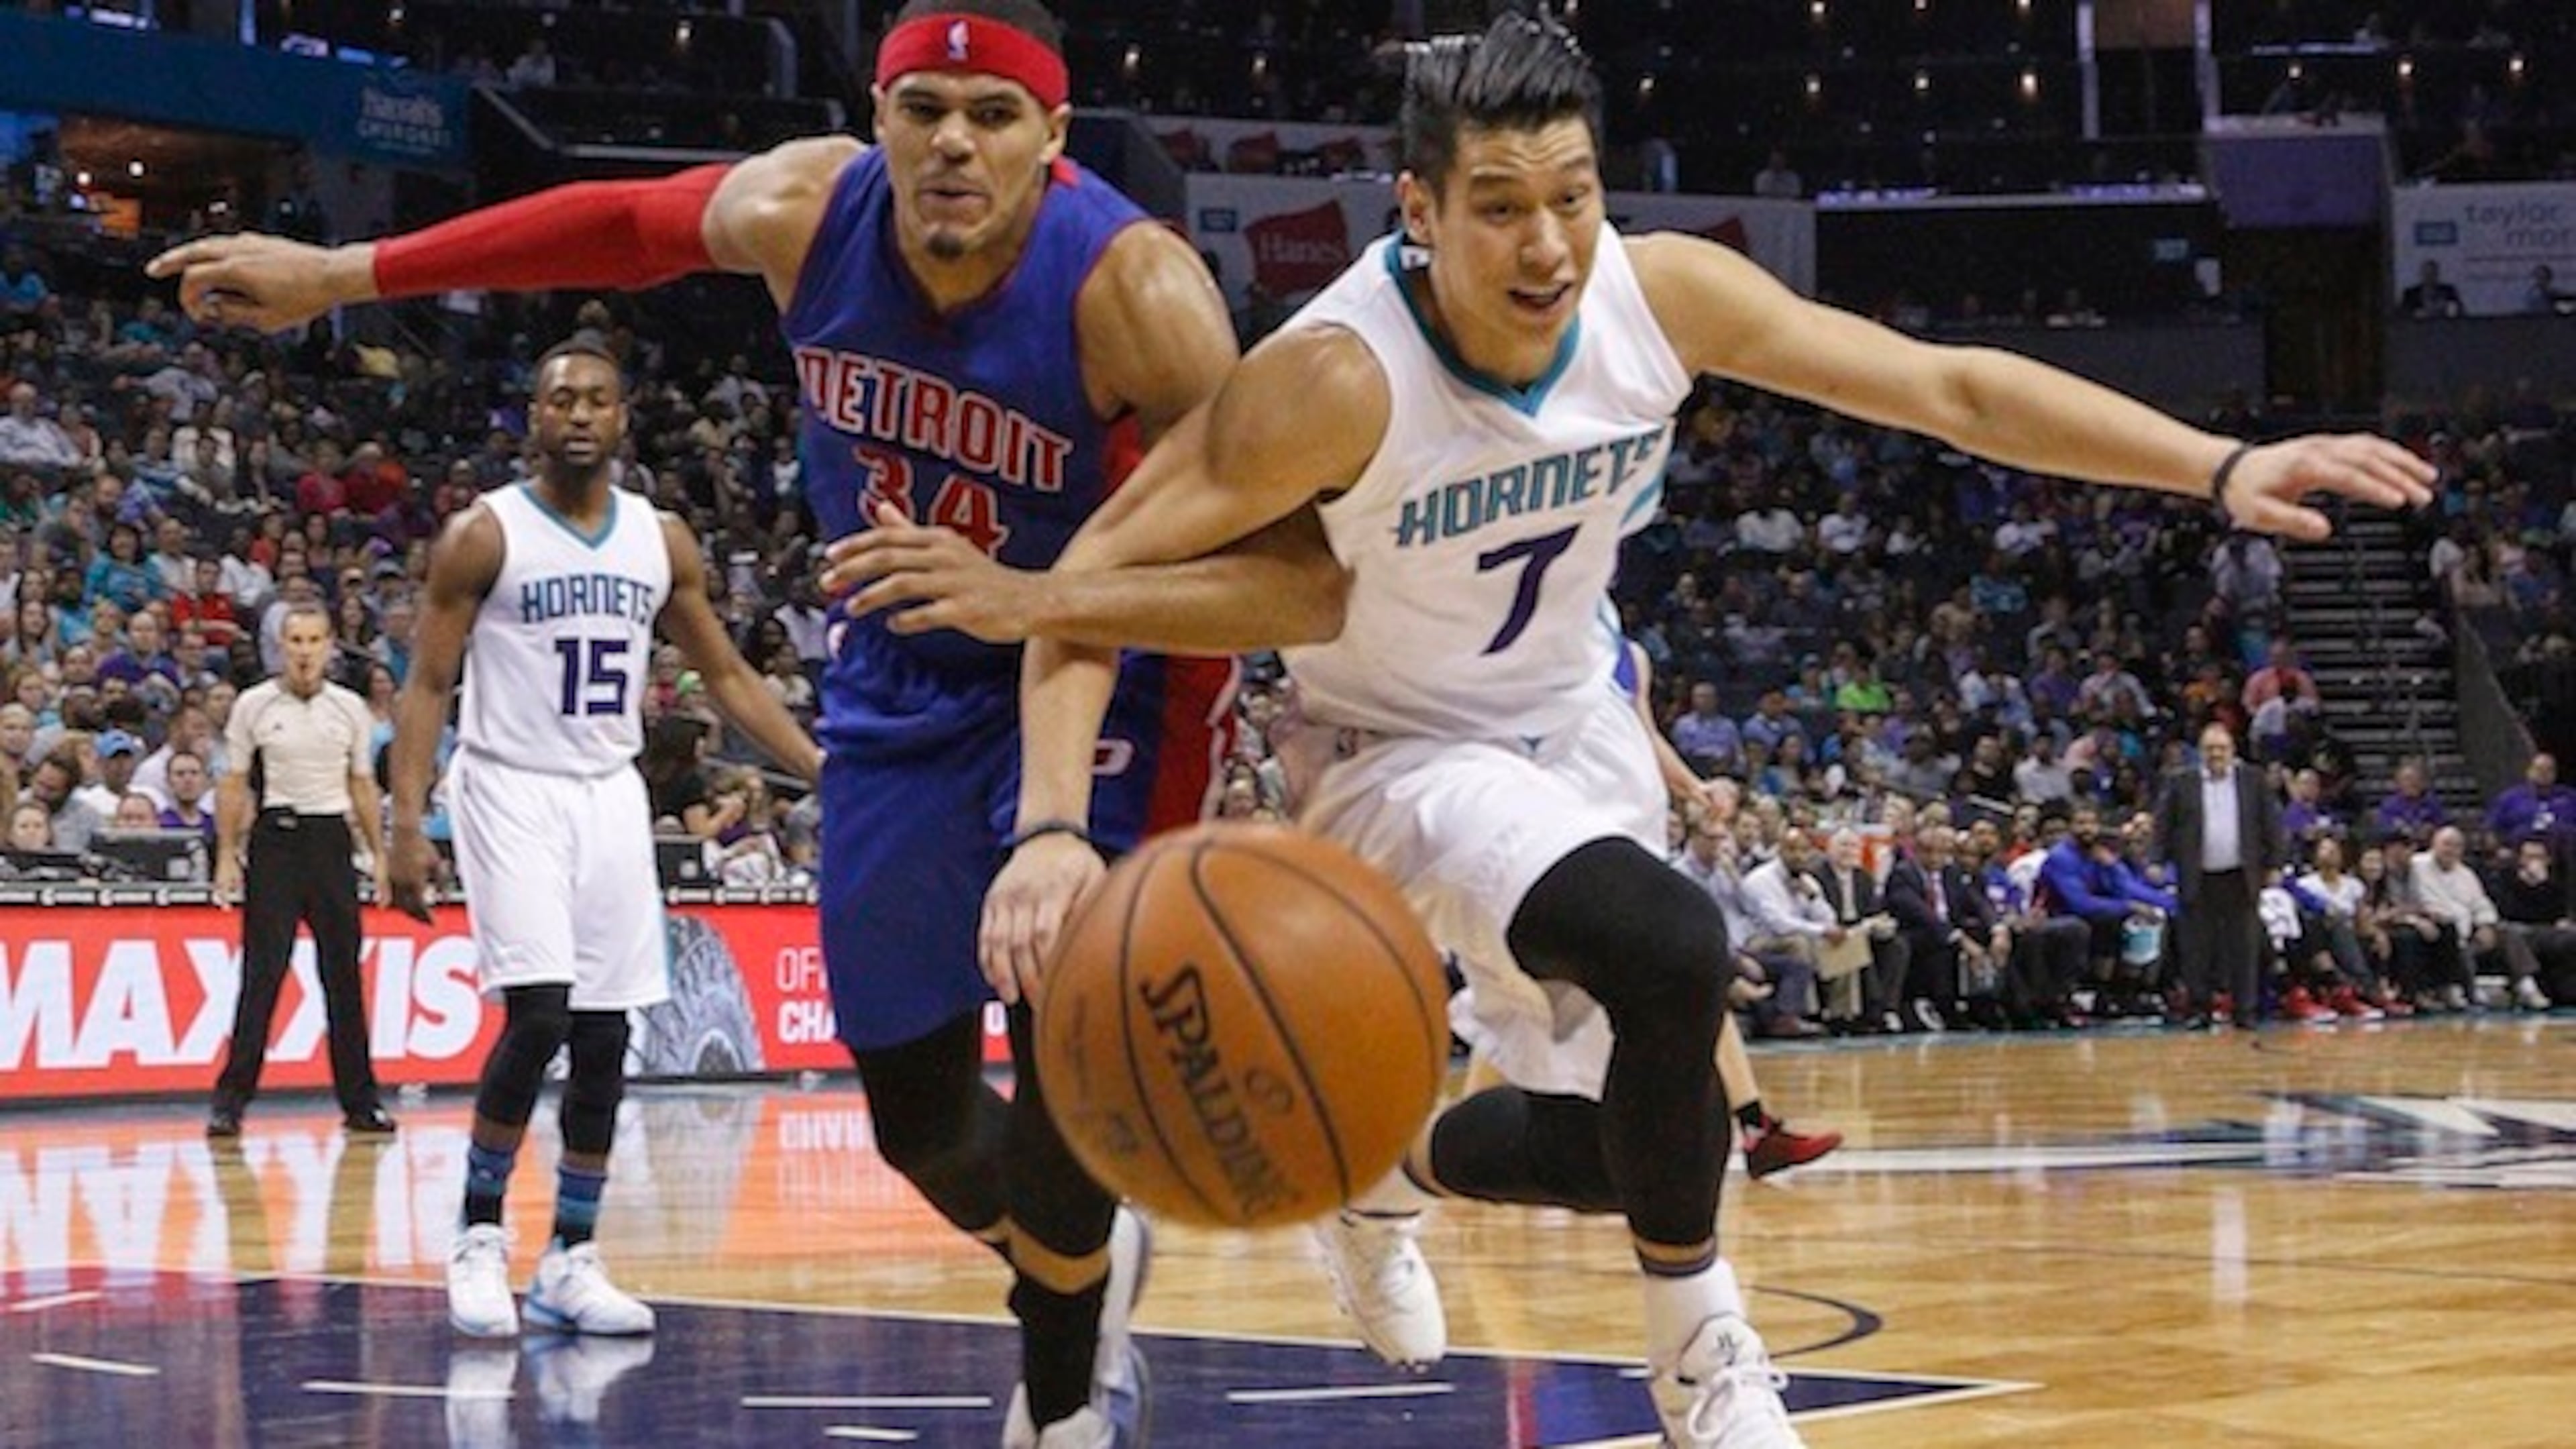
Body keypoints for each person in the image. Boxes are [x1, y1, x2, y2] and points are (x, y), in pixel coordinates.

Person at [824, 16, 2426, 1443]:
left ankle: (1391, 1169)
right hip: (1390, 754)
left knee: (1643, 1147)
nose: (1545, 245)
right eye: (1502, 207)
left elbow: (1948, 390)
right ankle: (1704, 1364)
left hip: (1569, 719)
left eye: (1573, 196)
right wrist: (1046, 824)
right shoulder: (1324, 379)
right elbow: (1088, 590)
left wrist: (2214, 467)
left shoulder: (1657, 296)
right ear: (1419, 211)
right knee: (1671, 945)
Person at [152, 5, 1293, 1440]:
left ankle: (1061, 1401)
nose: (953, 141)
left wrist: (1032, 630)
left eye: (992, 115)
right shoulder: (803, 210)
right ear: (876, 114)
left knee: (1067, 1085)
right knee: (921, 1124)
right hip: (903, 682)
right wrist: (341, 272)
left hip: (1114, 681)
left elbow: (1274, 561)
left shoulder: (1139, 292)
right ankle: (1074, 1265)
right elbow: (620, 223)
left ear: (1055, 140)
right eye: (922, 106)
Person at [387, 339, 822, 1341]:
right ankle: (479, 1236)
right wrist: (406, 824)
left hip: (607, 792)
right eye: (559, 400)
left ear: (624, 418)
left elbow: (728, 677)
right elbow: (425, 685)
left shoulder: (659, 540)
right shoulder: (481, 534)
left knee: (605, 1035)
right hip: (510, 787)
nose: (578, 415)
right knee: (538, 1017)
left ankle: (572, 1255)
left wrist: (819, 764)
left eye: (596, 400)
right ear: (533, 418)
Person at [206, 602, 395, 1140]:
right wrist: (226, 853)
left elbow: (362, 783)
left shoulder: (349, 708)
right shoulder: (254, 705)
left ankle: (361, 1103)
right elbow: (235, 782)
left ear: (330, 644)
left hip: (331, 841)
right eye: (297, 641)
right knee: (262, 977)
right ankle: (230, 1102)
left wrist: (378, 855)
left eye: (315, 641)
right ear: (282, 647)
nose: (306, 652)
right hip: (276, 842)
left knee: (344, 979)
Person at [2155, 723, 2285, 1030]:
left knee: (2244, 946)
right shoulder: (2181, 782)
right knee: (2197, 947)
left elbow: (2271, 824)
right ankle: (2199, 1009)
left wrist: (2276, 863)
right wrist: (2157, 860)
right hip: (2197, 875)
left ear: (2232, 751)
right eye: (2210, 749)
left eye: (2222, 748)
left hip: (2242, 875)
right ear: (2200, 753)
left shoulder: (2252, 780)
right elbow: (2164, 824)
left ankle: (2245, 1011)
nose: (2216, 754)